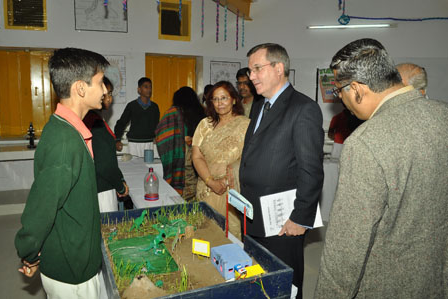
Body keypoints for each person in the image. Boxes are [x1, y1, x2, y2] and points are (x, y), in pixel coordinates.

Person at [314, 38, 448, 298]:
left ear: (356, 89)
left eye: (339, 90)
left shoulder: (366, 142)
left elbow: (347, 249)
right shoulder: (443, 115)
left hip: (389, 285)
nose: (339, 98)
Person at [14, 48, 110, 298]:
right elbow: (41, 207)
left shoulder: (69, 130)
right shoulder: (65, 142)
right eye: (100, 83)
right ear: (80, 88)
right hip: (72, 269)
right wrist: (29, 251)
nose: (105, 91)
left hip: (79, 256)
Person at [240, 43, 324, 299]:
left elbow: (311, 170)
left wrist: (300, 217)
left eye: (257, 69)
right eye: (249, 70)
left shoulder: (303, 108)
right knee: (257, 281)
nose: (251, 76)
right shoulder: (259, 106)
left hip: (282, 222)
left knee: (284, 285)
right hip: (253, 215)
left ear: (278, 68)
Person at [192, 81, 250, 240]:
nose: (219, 103)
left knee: (230, 236)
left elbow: (248, 159)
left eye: (224, 98)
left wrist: (224, 182)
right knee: (205, 234)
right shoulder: (205, 125)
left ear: (234, 99)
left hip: (231, 189)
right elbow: (197, 156)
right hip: (206, 188)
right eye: (215, 99)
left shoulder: (245, 125)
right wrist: (210, 182)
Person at [83, 75, 129, 212]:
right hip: (102, 189)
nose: (110, 98)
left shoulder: (92, 119)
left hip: (97, 186)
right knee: (108, 229)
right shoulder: (95, 124)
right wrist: (120, 186)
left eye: (110, 94)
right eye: (107, 94)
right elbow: (105, 165)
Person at [155, 86, 205, 200]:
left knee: (182, 190)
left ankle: (182, 213)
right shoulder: (201, 111)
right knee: (194, 186)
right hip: (199, 156)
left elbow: (161, 131)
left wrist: (178, 139)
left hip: (183, 157)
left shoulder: (173, 112)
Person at [114, 77, 160, 157]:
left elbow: (157, 125)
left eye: (150, 87)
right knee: (134, 167)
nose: (149, 89)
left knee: (149, 167)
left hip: (149, 144)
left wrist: (158, 136)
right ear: (139, 90)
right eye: (146, 87)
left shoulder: (154, 107)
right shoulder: (132, 106)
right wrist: (118, 139)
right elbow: (121, 123)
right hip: (134, 144)